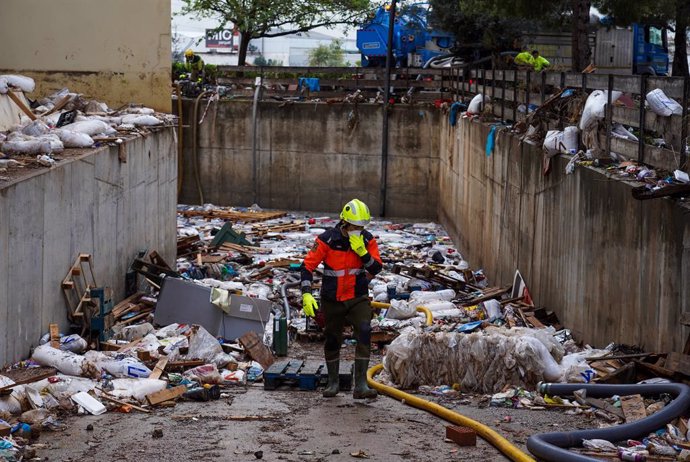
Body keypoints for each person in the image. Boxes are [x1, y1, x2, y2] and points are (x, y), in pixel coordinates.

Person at [300, 199, 383, 399]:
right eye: (355, 227)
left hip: (357, 296)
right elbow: (307, 266)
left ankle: (361, 385)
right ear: (345, 223)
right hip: (333, 299)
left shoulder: (367, 240)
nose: (358, 230)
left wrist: (363, 253)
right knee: (332, 338)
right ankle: (333, 382)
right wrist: (306, 293)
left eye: (362, 227)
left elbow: (376, 268)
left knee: (364, 331)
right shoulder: (327, 240)